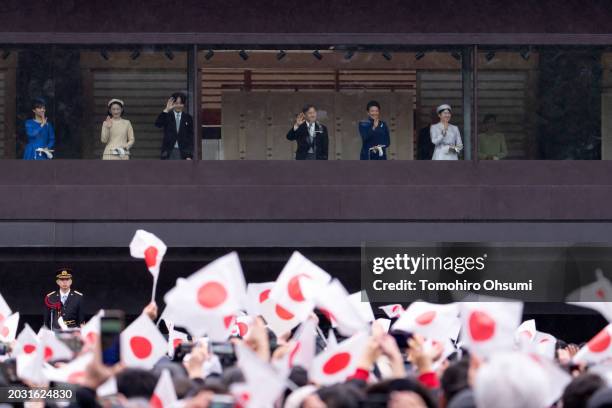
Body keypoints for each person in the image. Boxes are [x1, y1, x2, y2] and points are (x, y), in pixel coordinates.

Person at [155, 92, 194, 160]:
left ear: (184, 104)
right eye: (176, 103)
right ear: (173, 104)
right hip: (169, 152)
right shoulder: (168, 116)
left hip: (183, 152)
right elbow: (158, 124)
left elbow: (190, 137)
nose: (178, 105)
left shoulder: (188, 118)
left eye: (181, 103)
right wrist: (166, 109)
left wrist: (189, 155)